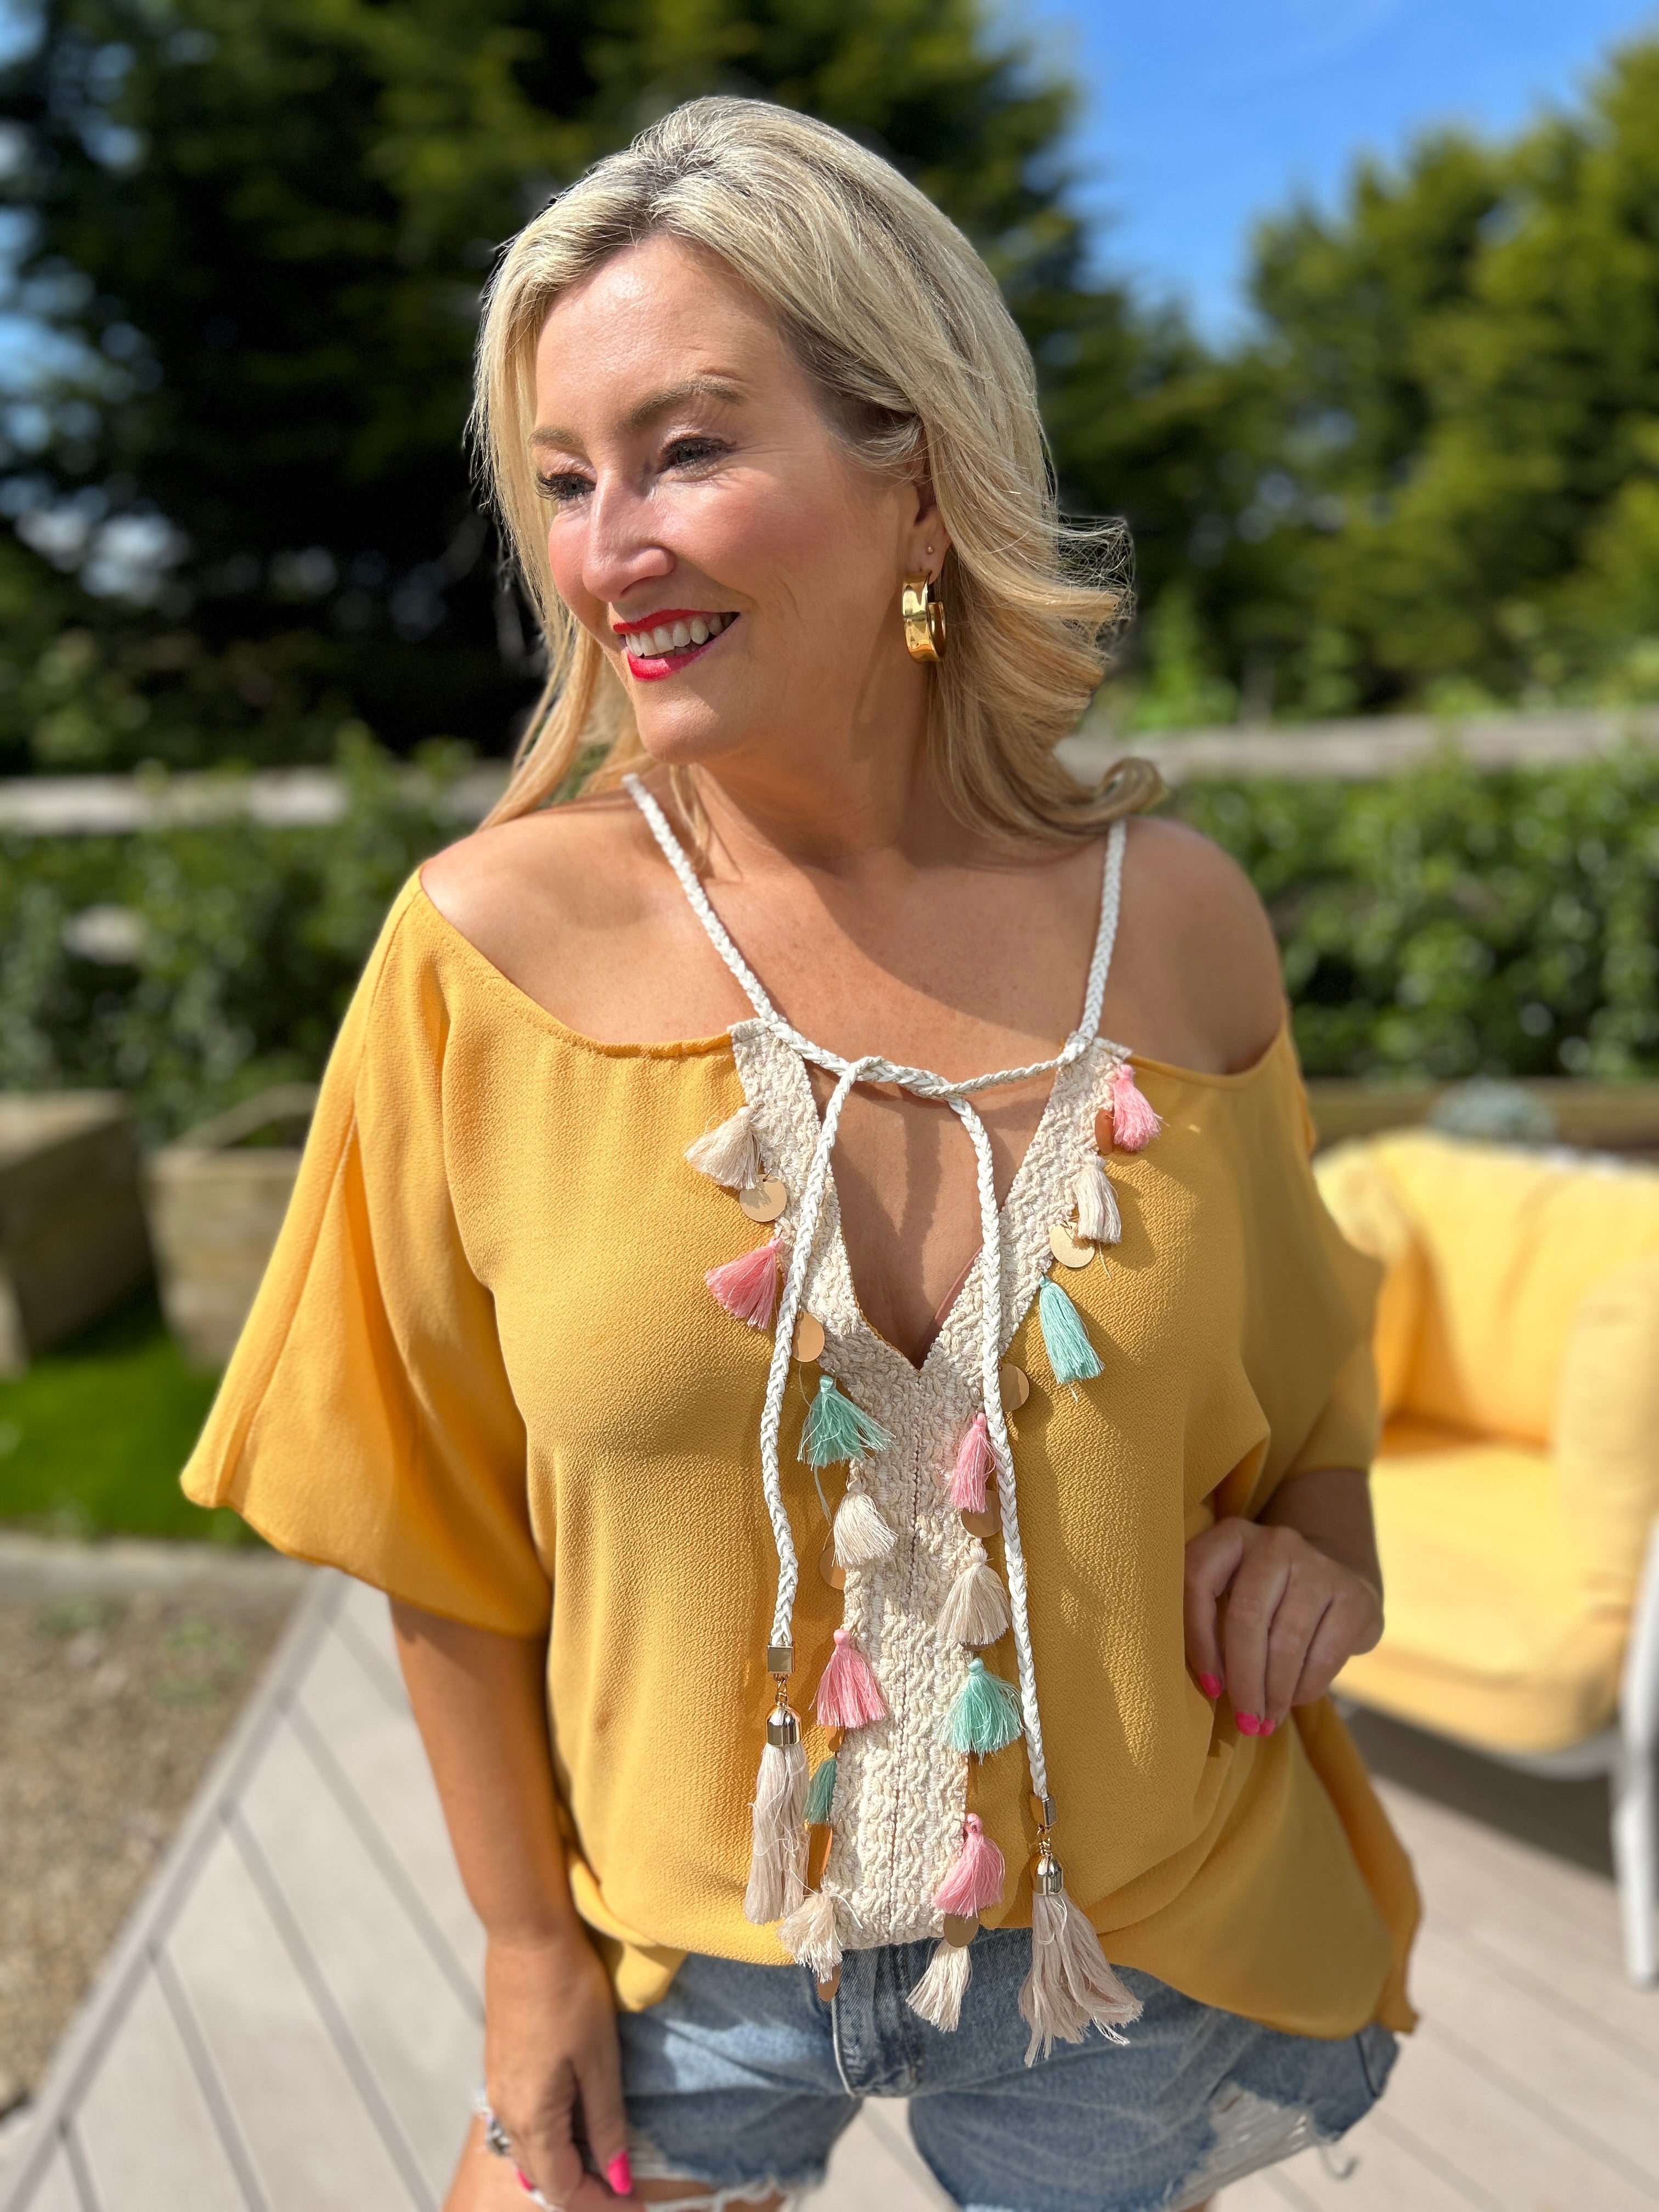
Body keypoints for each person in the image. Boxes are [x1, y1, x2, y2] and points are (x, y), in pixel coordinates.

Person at [183, 97, 1417, 2212]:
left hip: (1136, 1953)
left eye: (683, 451)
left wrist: (1324, 1565)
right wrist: (521, 1948)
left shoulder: (1180, 925)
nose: (606, 552)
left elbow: (1311, 1420)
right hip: (682, 1965)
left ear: (916, 479)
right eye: (565, 480)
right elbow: (422, 1521)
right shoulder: (482, 955)